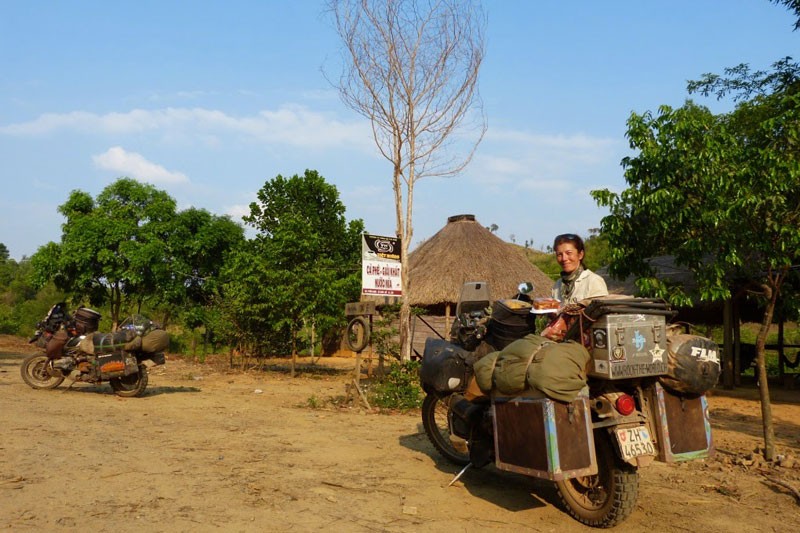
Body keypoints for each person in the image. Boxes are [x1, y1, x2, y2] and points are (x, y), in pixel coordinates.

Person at [550, 233, 608, 305]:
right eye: (559, 254)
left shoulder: (593, 281)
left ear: (580, 254)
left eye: (569, 253)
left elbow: (601, 312)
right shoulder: (557, 285)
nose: (564, 258)